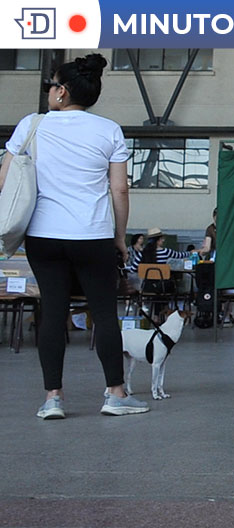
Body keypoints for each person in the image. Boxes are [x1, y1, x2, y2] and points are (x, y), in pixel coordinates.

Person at [0, 53, 149, 418]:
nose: (48, 91)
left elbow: (5, 179)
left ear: (62, 92)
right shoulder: (109, 130)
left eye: (51, 85)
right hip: (93, 234)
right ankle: (115, 394)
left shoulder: (32, 125)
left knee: (52, 311)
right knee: (104, 312)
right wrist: (119, 237)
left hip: (43, 235)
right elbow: (120, 190)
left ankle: (53, 398)